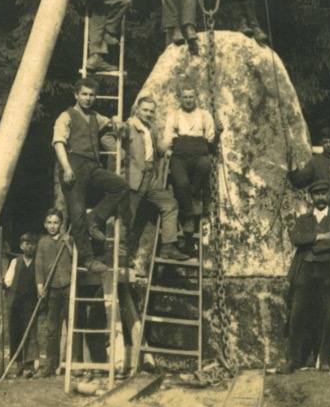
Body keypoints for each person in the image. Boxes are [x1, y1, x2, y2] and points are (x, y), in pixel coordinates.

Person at [52, 76, 132, 274]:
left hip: (92, 166)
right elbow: (58, 143)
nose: (88, 98)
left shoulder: (96, 116)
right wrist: (67, 168)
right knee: (77, 214)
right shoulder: (66, 116)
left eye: (91, 95)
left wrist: (115, 120)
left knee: (120, 186)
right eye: (84, 94)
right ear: (76, 95)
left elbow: (116, 125)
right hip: (73, 165)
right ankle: (88, 260)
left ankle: (95, 219)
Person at [285, 179, 330, 373]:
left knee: (328, 315)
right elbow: (295, 238)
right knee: (297, 315)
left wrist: (310, 243)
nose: (320, 197)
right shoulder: (303, 219)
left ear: (328, 196)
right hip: (304, 269)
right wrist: (319, 237)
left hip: (329, 270)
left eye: (323, 194)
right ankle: (293, 360)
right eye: (316, 194)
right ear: (311, 197)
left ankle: (325, 360)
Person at [123, 95, 189, 262]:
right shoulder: (129, 125)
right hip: (135, 177)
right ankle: (120, 257)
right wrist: (125, 157)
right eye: (145, 110)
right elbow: (108, 139)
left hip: (151, 177)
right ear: (138, 110)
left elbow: (154, 150)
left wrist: (166, 150)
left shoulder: (149, 129)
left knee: (170, 204)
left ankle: (168, 247)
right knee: (127, 218)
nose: (149, 113)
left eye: (151, 111)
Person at [163, 85, 217, 243]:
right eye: (185, 97)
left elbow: (211, 139)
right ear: (180, 98)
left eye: (191, 96)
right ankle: (189, 217)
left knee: (205, 165)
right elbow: (168, 136)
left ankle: (191, 199)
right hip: (180, 155)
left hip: (199, 153)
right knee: (182, 182)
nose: (188, 100)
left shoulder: (204, 115)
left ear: (196, 97)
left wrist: (218, 133)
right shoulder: (174, 115)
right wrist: (167, 150)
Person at [34, 208, 73, 378]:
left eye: (56, 222)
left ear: (61, 224)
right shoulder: (42, 243)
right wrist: (40, 287)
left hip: (69, 286)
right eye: (49, 222)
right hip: (52, 290)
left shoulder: (69, 239)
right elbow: (39, 267)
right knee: (51, 328)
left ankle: (74, 364)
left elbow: (76, 258)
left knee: (72, 325)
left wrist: (69, 244)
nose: (52, 226)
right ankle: (51, 365)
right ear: (44, 224)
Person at [0, 232, 39, 378]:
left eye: (32, 244)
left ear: (36, 246)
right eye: (26, 244)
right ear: (21, 246)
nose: (29, 247)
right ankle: (18, 364)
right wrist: (2, 282)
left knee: (29, 331)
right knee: (15, 331)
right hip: (16, 301)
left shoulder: (38, 262)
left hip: (31, 302)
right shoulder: (15, 262)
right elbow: (7, 281)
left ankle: (29, 364)